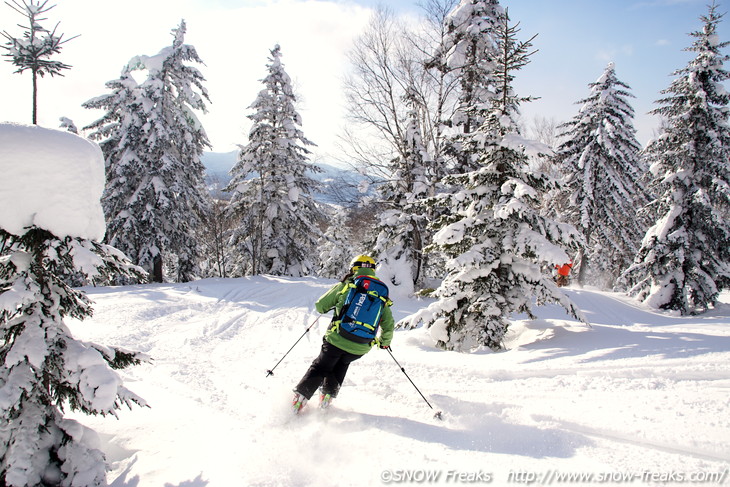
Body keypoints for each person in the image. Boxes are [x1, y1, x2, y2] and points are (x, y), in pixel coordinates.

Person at [292, 254, 394, 412]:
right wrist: (385, 342)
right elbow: (388, 323)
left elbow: (320, 306)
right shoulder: (380, 291)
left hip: (337, 339)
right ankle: (326, 400)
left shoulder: (348, 284)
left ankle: (299, 401)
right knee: (342, 363)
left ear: (354, 268)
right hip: (361, 346)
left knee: (321, 366)